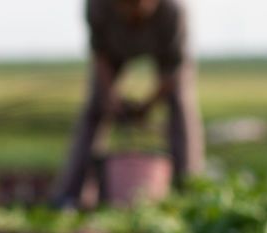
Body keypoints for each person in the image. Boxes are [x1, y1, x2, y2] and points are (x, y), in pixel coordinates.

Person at [52, 0, 204, 208]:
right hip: (113, 51)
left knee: (181, 106)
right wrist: (111, 96)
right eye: (124, 5)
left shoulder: (173, 11)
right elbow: (100, 55)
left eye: (138, 6)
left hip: (166, 55)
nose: (131, 13)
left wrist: (148, 105)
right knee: (95, 107)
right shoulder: (97, 6)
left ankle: (188, 188)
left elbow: (175, 71)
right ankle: (70, 194)